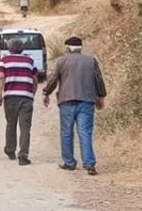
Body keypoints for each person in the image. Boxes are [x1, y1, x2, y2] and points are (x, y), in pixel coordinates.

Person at [42, 35, 107, 175]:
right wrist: (101, 97)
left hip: (67, 100)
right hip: (87, 101)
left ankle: (69, 162)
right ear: (80, 47)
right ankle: (89, 165)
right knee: (85, 133)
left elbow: (53, 79)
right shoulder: (91, 60)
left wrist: (46, 93)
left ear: (68, 48)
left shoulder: (62, 61)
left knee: (66, 132)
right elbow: (98, 79)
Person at [0, 38, 37, 165]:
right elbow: (35, 79)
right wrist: (32, 94)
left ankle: (10, 149)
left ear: (9, 49)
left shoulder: (4, 61)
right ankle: (23, 155)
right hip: (26, 98)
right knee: (25, 127)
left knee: (11, 124)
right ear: (22, 48)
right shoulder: (30, 61)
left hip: (11, 97)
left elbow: (1, 77)